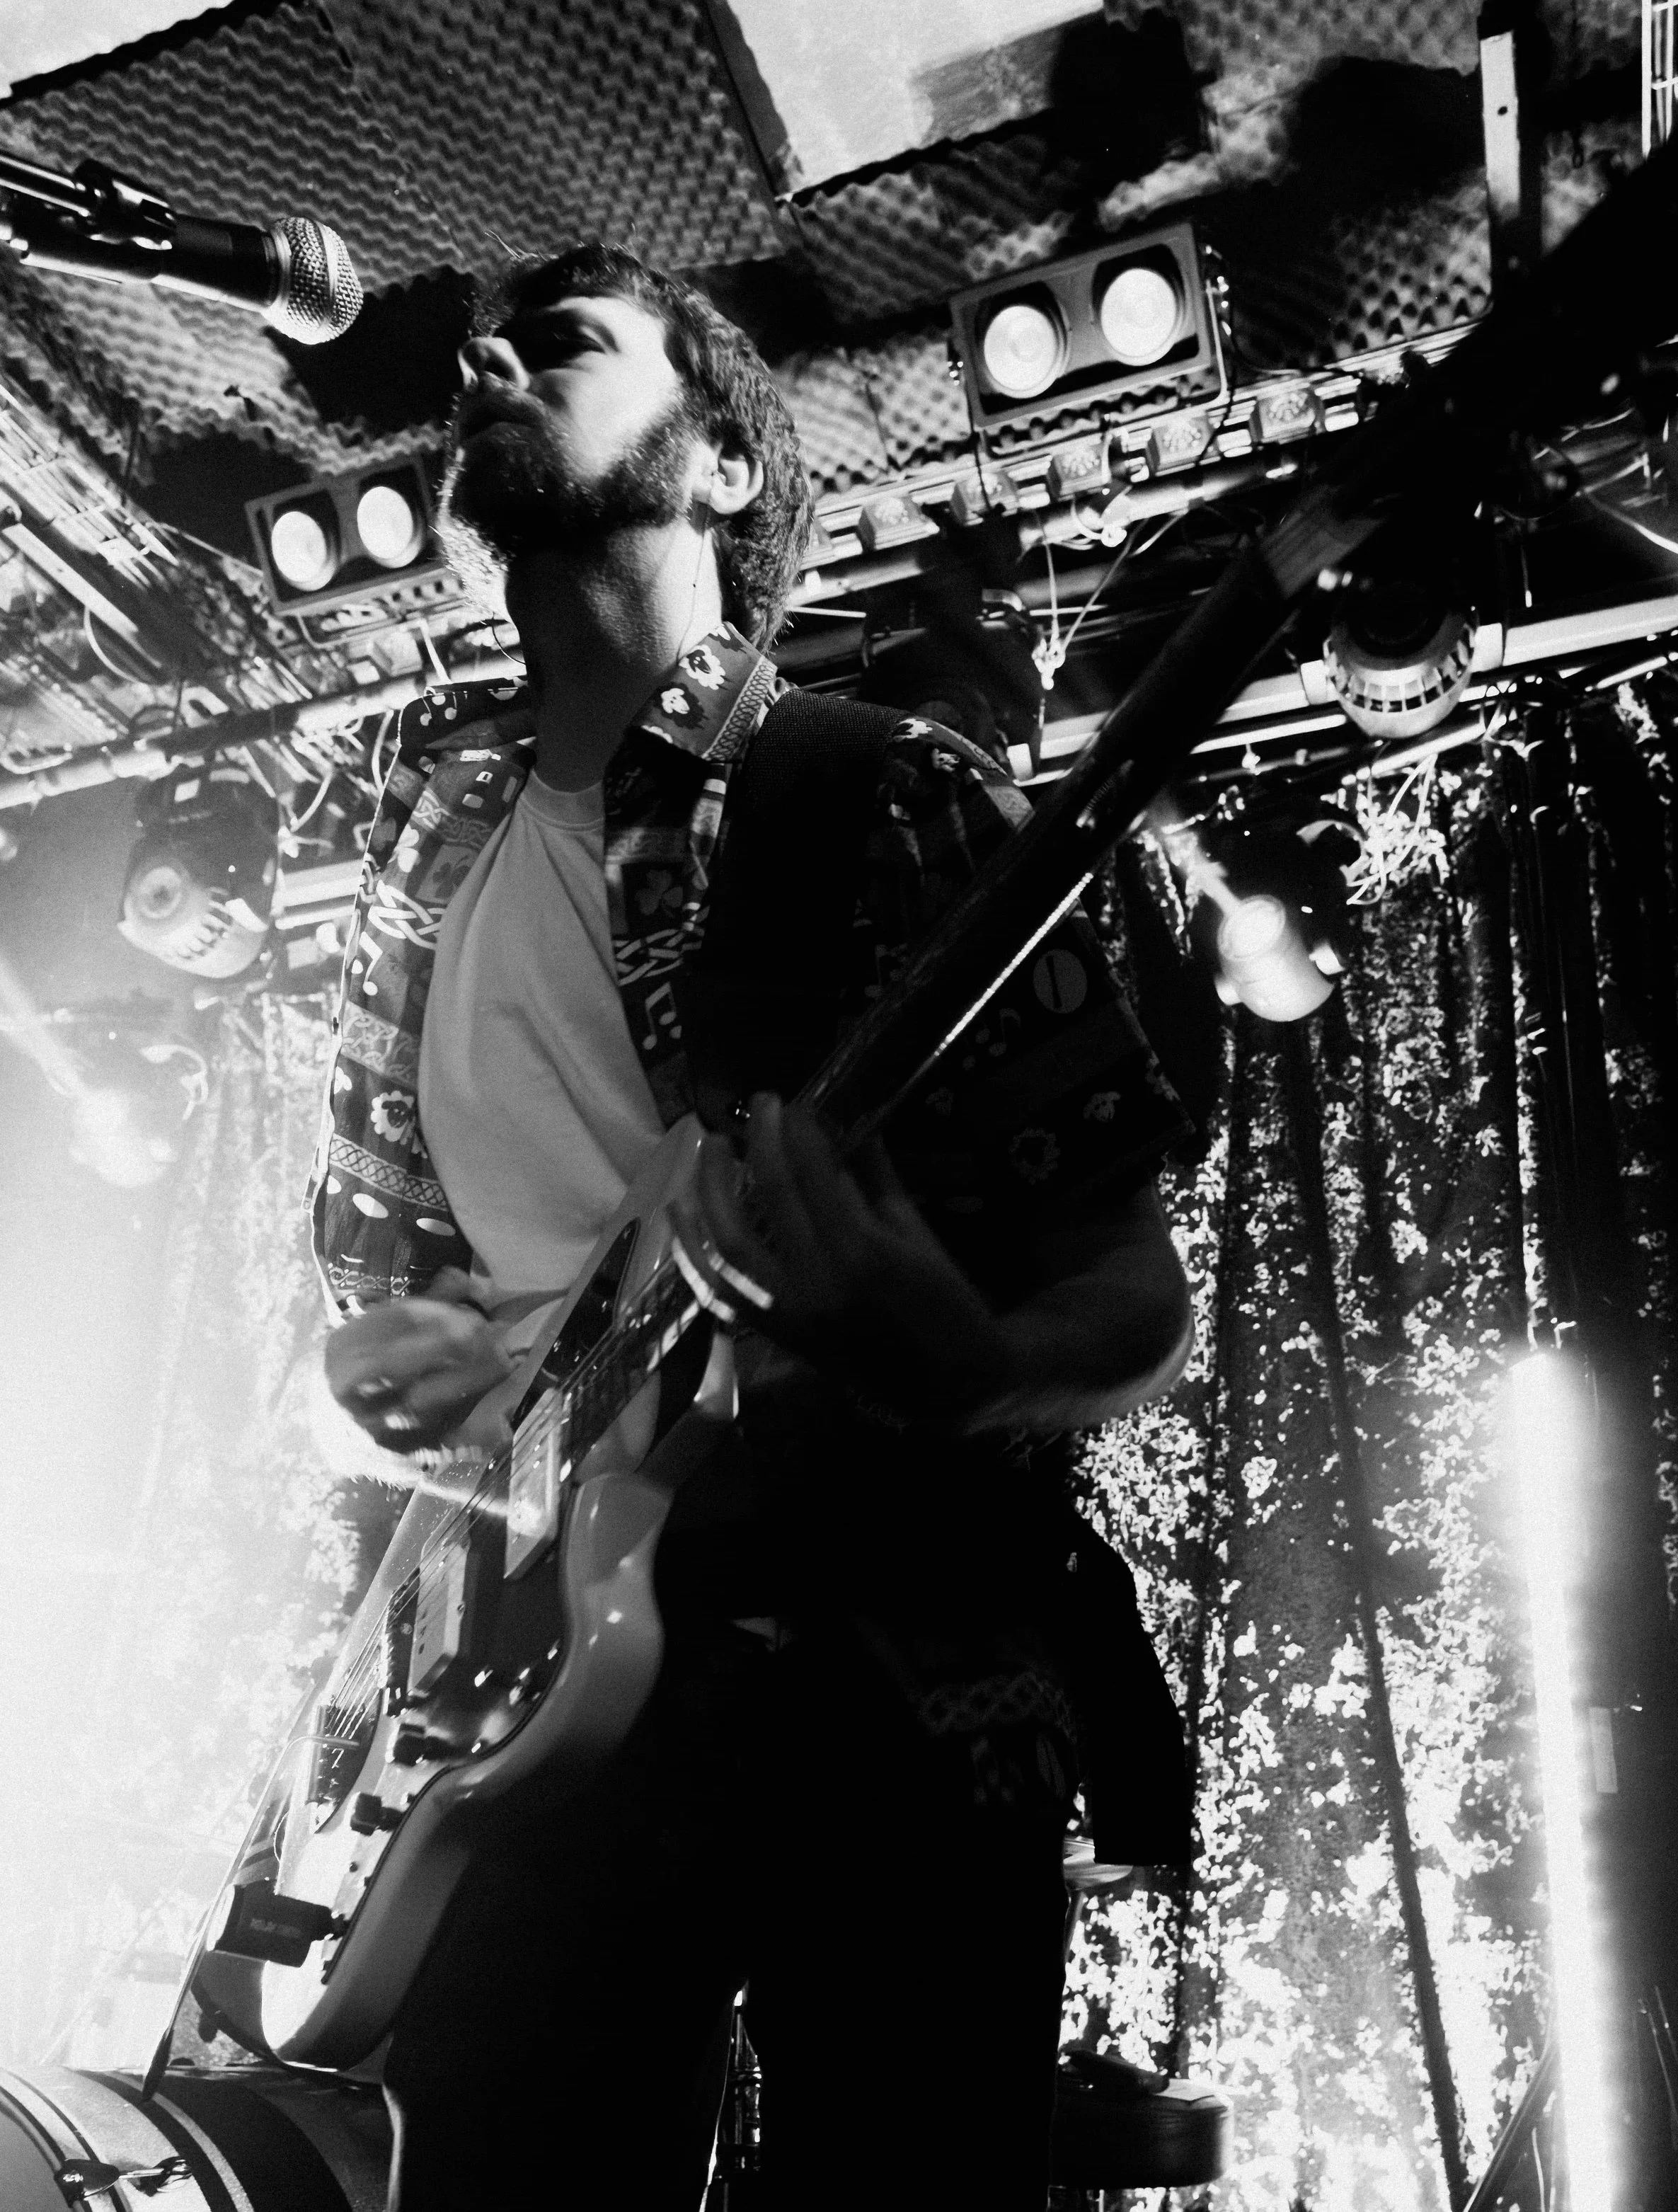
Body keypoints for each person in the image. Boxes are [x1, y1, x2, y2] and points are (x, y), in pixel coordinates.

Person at [314, 241, 1195, 2209]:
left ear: (718, 463)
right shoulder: (423, 849)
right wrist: (362, 1384)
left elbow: (1135, 1291)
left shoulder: (877, 798)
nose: (489, 363)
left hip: (880, 1673)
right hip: (523, 1700)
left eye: (564, 344)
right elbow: (379, 1301)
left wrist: (973, 1372)